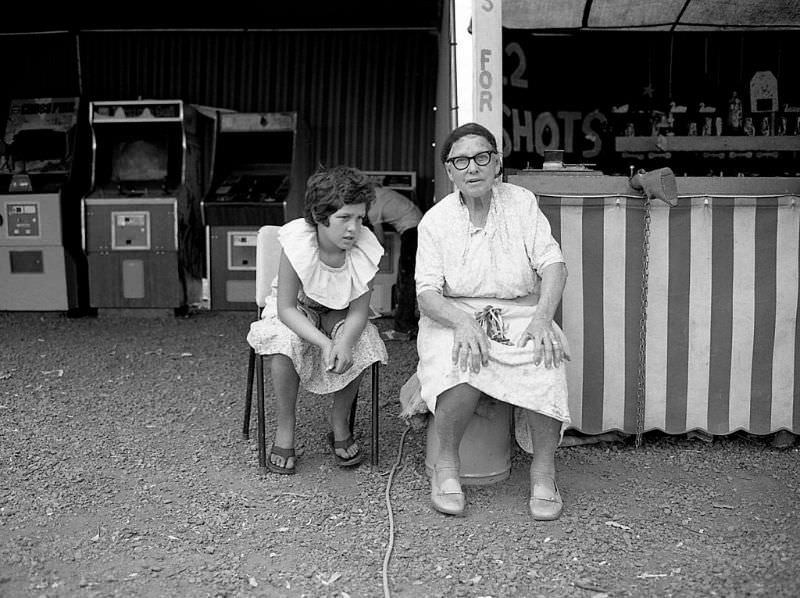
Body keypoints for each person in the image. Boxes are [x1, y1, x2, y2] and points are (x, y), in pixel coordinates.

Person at [414, 122, 570, 519]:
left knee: (545, 356)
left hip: (519, 310)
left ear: (496, 162)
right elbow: (427, 293)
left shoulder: (521, 203)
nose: (473, 168)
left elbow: (553, 265)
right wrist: (464, 325)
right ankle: (447, 466)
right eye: (461, 161)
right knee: (461, 364)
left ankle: (544, 473)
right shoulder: (435, 221)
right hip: (454, 313)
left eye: (482, 157)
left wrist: (542, 318)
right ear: (450, 170)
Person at [246, 165, 388, 474]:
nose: (353, 228)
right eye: (343, 218)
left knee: (362, 344)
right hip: (298, 309)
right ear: (319, 217)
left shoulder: (364, 249)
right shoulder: (299, 243)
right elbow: (285, 309)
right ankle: (286, 426)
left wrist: (344, 342)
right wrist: (324, 343)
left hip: (341, 313)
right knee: (285, 342)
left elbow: (359, 312)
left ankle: (339, 421)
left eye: (360, 218)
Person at [367, 183, 423, 339]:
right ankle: (405, 319)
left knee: (407, 279)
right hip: (417, 228)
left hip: (413, 232)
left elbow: (380, 241)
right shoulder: (380, 193)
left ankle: (403, 329)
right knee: (406, 276)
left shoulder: (373, 206)